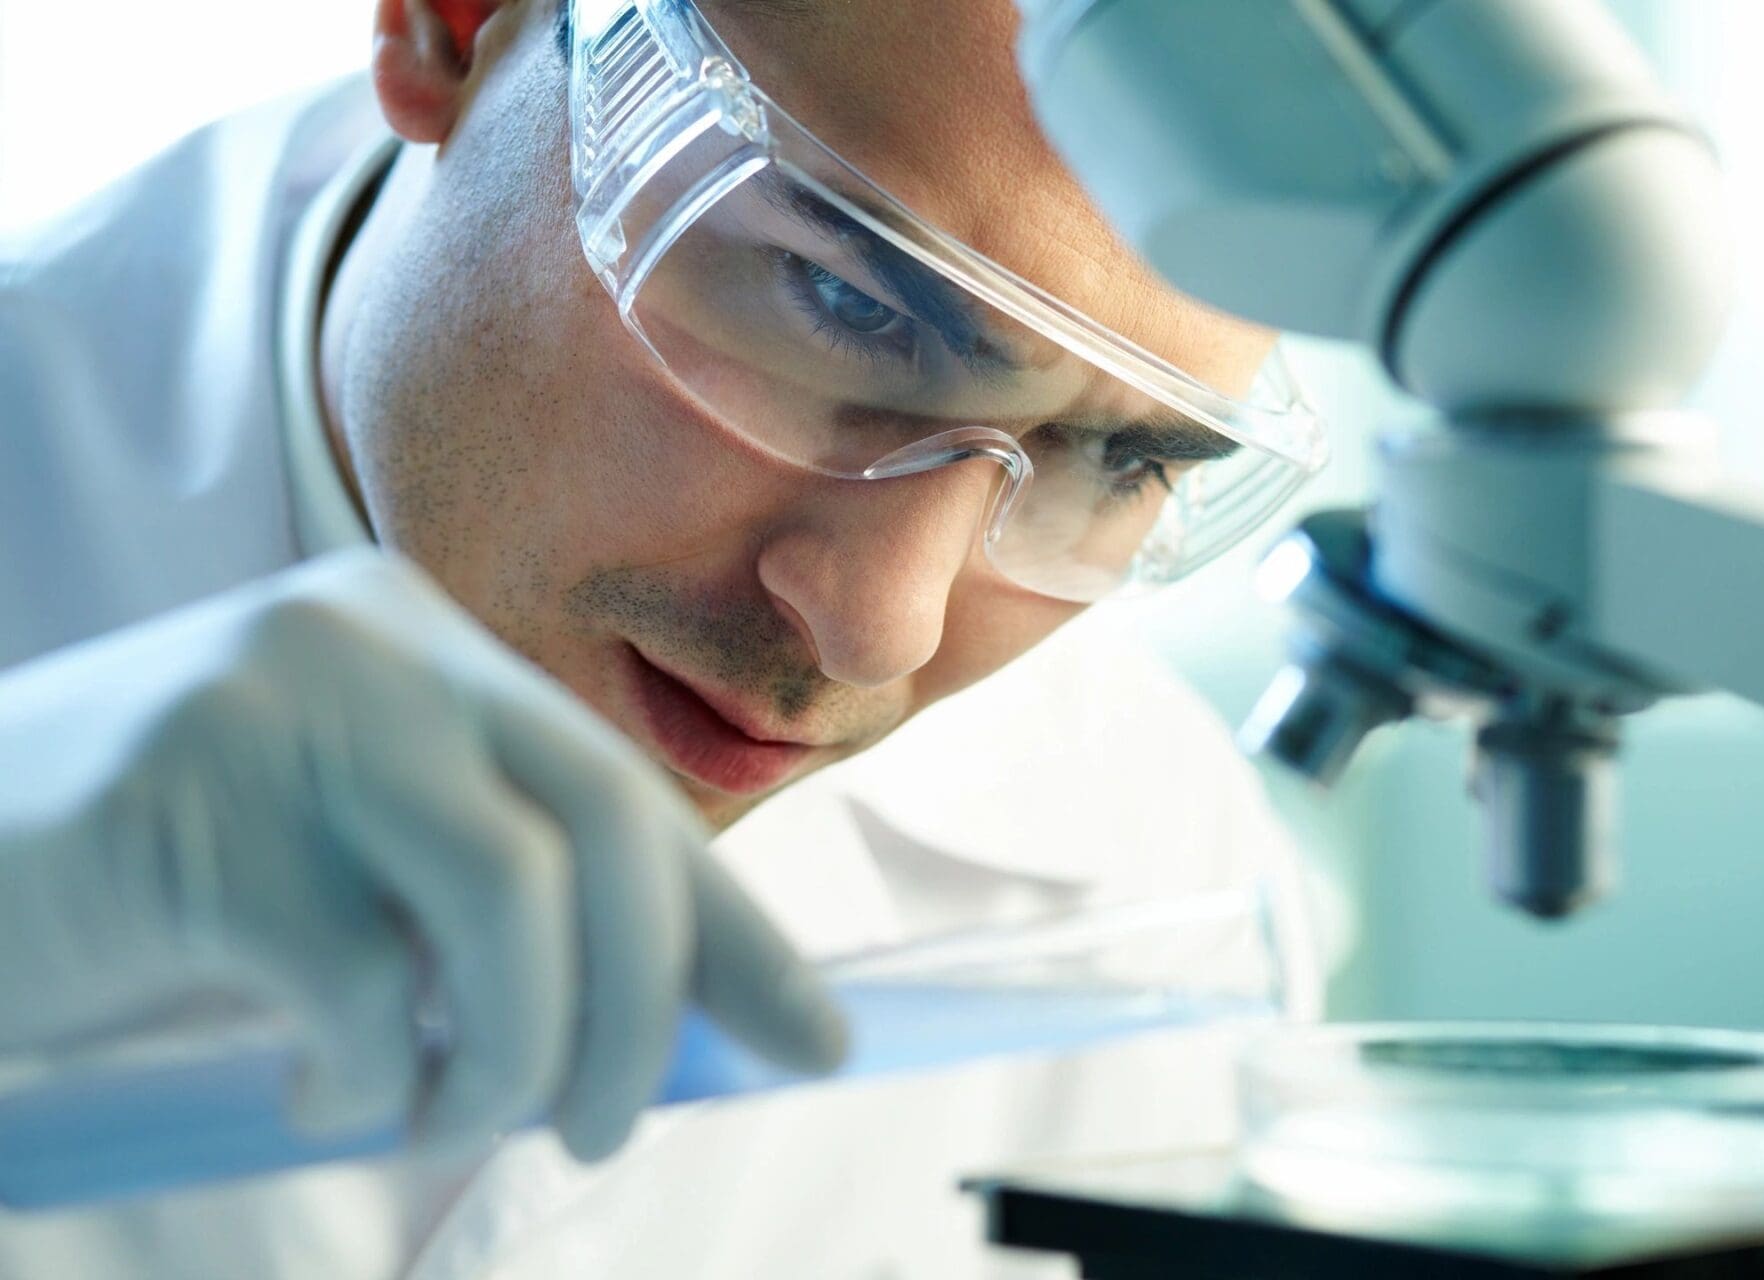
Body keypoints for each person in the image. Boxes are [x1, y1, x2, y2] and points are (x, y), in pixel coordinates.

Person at [0, 0, 1327, 1274]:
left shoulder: (1146, 881)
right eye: (843, 301)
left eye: (1121, 458)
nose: (876, 630)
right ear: (456, 23)